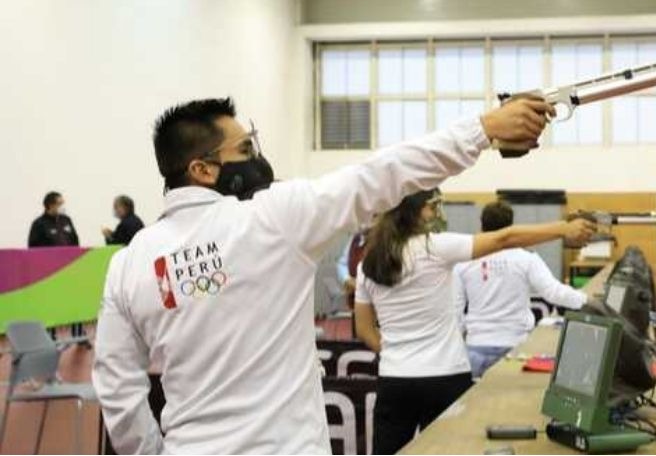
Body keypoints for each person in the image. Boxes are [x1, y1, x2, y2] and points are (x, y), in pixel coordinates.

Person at [92, 95, 553, 454]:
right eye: (246, 148)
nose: (257, 158)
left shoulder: (128, 264)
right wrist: (483, 129)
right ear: (203, 169)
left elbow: (117, 388)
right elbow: (382, 174)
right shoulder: (272, 218)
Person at [354, 189, 596, 454]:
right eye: (432, 207)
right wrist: (563, 228)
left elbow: (364, 329)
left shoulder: (369, 263)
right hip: (445, 377)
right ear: (420, 210)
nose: (435, 213)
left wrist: (395, 354)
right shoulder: (435, 246)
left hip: (395, 379)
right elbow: (507, 237)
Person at [454, 201, 589, 378]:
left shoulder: (464, 263)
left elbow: (454, 312)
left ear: (481, 225)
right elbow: (553, 292)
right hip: (515, 349)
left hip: (475, 348)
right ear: (512, 227)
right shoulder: (526, 259)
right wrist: (586, 299)